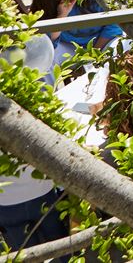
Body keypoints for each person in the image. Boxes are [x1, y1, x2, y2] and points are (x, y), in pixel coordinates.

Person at [0, 35, 70, 250]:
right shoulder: (38, 106)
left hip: (6, 204)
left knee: (24, 254)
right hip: (42, 194)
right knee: (61, 250)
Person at [31, 0, 122, 67]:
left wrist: (94, 56)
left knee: (118, 49)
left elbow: (114, 25)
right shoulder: (45, 9)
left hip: (101, 42)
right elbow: (49, 42)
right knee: (45, 59)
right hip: (70, 46)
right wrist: (62, 15)